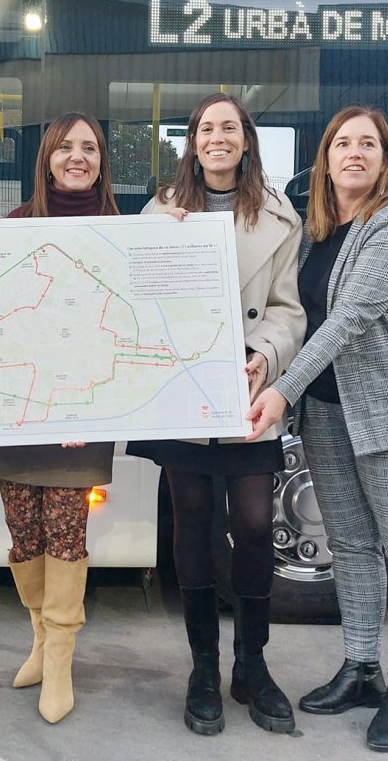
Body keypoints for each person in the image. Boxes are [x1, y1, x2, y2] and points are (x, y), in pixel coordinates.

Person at [246, 105, 388, 753]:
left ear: (384, 160)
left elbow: (349, 319)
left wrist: (281, 389)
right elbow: (295, 311)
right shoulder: (318, 231)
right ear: (326, 159)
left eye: (368, 144)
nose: (354, 153)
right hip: (331, 414)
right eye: (342, 143)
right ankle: (362, 669)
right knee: (353, 547)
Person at [135, 94, 306, 737]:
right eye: (206, 128)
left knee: (256, 524)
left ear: (245, 139)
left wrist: (265, 355)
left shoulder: (279, 216)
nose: (218, 137)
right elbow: (139, 300)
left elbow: (288, 309)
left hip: (246, 391)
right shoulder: (160, 212)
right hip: (183, 391)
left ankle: (251, 665)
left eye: (229, 127)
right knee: (194, 523)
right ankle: (204, 668)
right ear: (193, 141)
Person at [0, 112, 119, 724]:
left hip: (81, 418)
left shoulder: (123, 233)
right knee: (24, 536)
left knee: (67, 534)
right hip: (19, 414)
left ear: (101, 161)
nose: (77, 156)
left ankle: (61, 657)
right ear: (46, 158)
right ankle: (39, 639)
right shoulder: (14, 228)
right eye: (65, 146)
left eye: (89, 147)